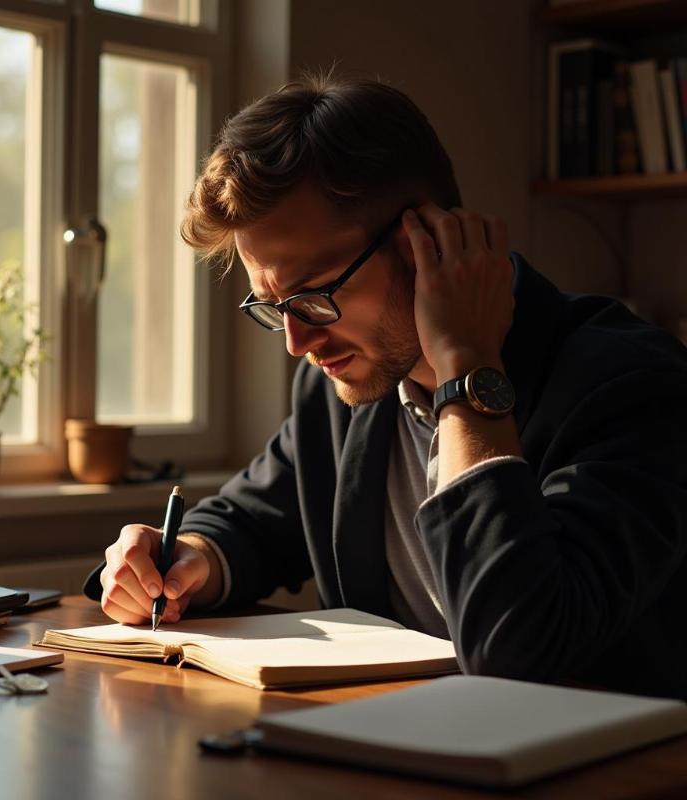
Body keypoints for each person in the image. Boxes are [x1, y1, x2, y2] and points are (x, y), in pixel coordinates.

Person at [84, 74, 687, 698]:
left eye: (315, 295)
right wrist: (191, 559)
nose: (298, 342)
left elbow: (519, 650)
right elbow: (255, 519)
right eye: (274, 306)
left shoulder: (631, 384)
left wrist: (467, 371)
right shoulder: (345, 386)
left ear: (423, 244)